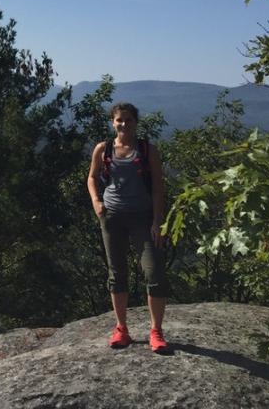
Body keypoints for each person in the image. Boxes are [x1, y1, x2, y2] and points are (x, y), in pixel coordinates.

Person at [87, 102, 169, 352]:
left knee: (154, 273)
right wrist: (96, 202)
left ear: (136, 122)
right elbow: (91, 177)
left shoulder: (147, 150)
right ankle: (121, 329)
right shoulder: (104, 149)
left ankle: (156, 332)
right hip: (112, 217)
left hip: (143, 218)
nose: (123, 124)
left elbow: (157, 188)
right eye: (119, 120)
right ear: (113, 122)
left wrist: (158, 221)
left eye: (128, 120)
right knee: (117, 273)